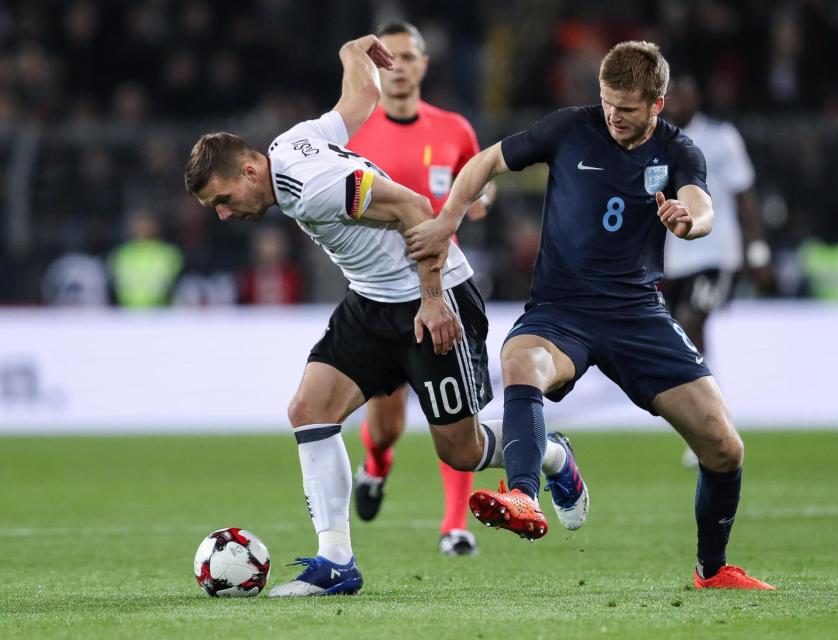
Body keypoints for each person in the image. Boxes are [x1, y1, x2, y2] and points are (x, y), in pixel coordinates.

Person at [183, 34, 581, 598]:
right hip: (371, 301)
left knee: (460, 449)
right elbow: (357, 102)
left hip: (434, 299)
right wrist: (352, 51)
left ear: (249, 170)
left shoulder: (313, 186)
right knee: (309, 408)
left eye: (222, 200)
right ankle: (337, 562)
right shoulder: (291, 143)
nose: (224, 215)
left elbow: (415, 209)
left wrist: (432, 298)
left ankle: (552, 453)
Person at [405, 41, 775, 590]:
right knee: (520, 362)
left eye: (626, 108)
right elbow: (486, 161)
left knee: (724, 446)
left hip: (637, 315)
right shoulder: (570, 128)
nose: (612, 116)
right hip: (561, 312)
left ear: (657, 103)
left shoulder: (679, 151)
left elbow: (703, 205)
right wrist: (446, 220)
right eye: (606, 102)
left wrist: (687, 221)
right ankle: (524, 494)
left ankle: (712, 570)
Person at [345, 20, 491, 557]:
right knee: (386, 424)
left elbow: (477, 192)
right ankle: (377, 464)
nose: (400, 67)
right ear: (377, 68)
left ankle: (455, 526)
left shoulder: (454, 130)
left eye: (409, 57)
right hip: (382, 295)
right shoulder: (356, 133)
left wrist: (480, 202)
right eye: (390, 58)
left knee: (451, 413)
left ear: (425, 64)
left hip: (440, 286)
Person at [659, 76, 772, 469]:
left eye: (684, 95)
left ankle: (710, 428)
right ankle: (707, 421)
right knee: (682, 339)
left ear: (697, 97)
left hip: (715, 253)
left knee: (692, 325)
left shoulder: (722, 138)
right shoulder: (656, 140)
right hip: (676, 259)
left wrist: (757, 252)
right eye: (671, 96)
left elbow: (744, 197)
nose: (677, 103)